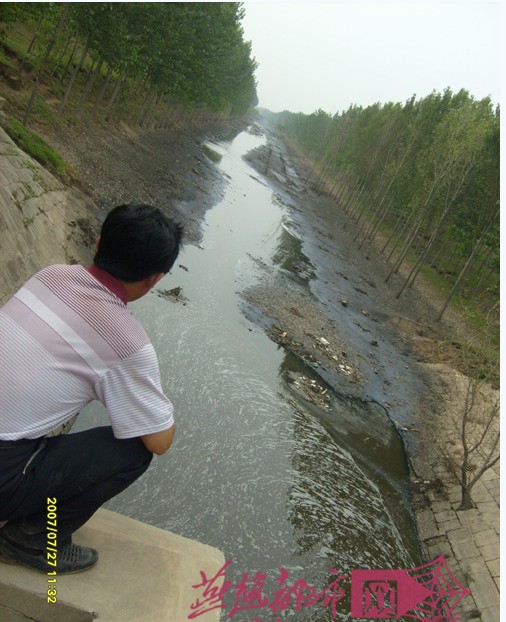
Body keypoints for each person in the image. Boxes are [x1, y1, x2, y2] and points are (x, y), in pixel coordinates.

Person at [0, 203, 183, 574]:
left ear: (99, 241)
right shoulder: (127, 344)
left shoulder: (51, 275)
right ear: (155, 278)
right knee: (133, 451)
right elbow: (159, 442)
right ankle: (33, 539)